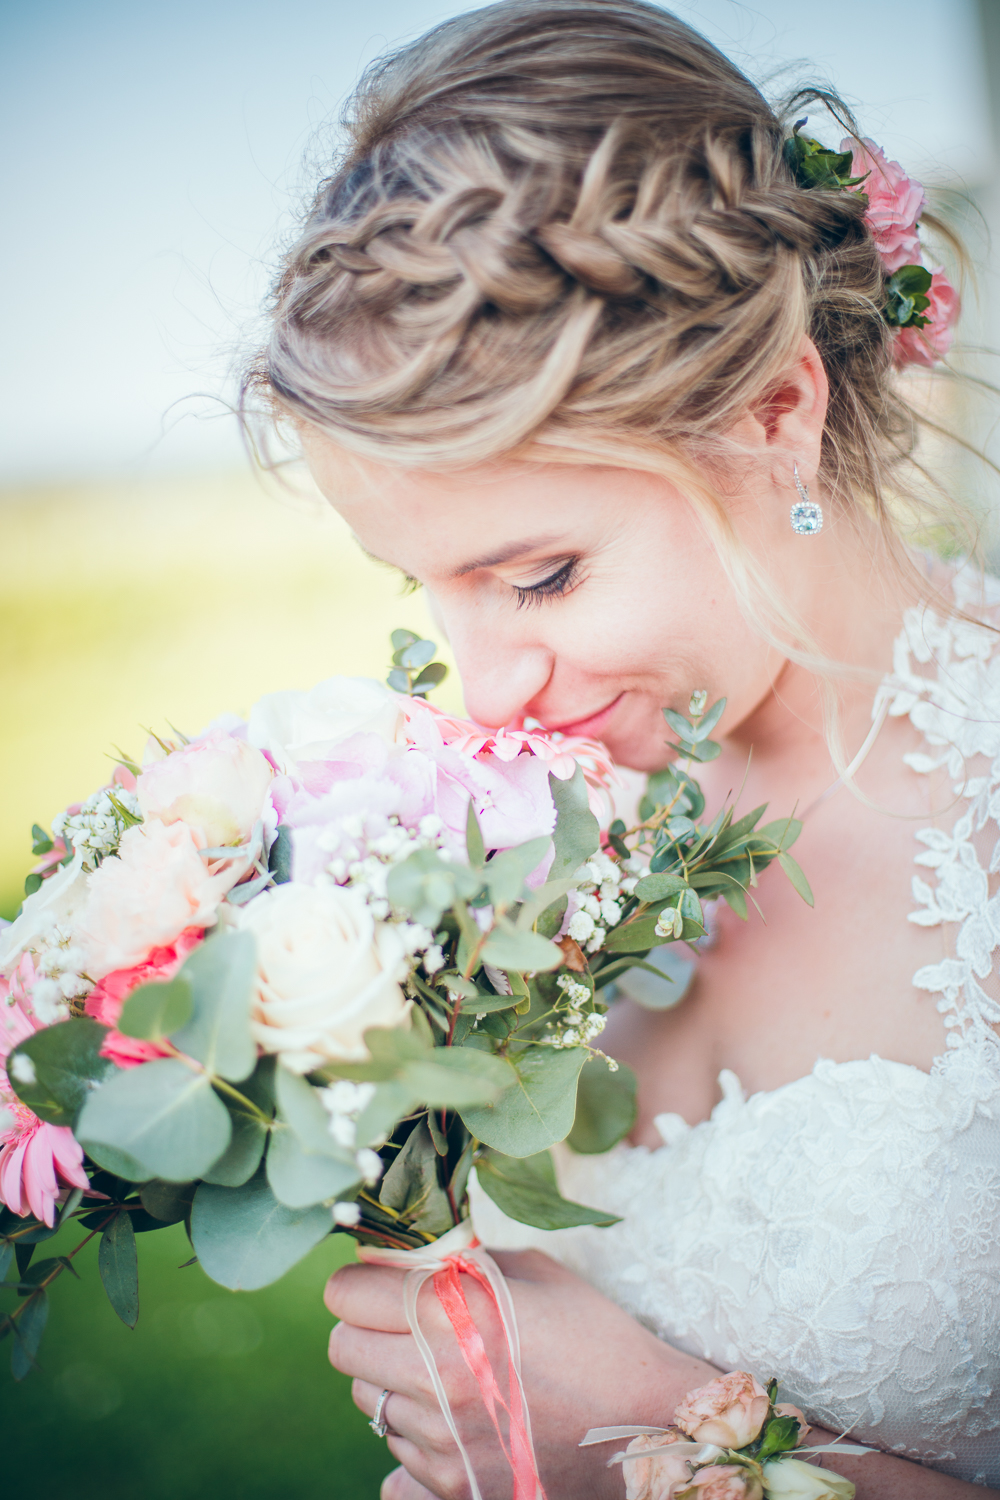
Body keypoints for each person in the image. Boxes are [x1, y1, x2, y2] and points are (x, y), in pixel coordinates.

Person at [244, 2, 1000, 1494]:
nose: (485, 689)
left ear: (778, 411)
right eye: (429, 590)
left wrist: (645, 1432)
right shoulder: (519, 826)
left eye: (540, 577)